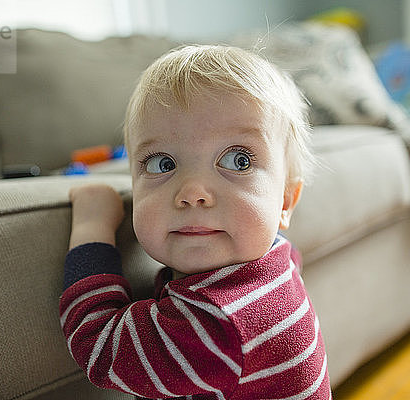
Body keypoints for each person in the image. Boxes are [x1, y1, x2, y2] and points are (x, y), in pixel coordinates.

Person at [59, 44, 331, 399]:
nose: (192, 192)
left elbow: (99, 345)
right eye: (162, 164)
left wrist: (91, 228)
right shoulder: (276, 260)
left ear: (285, 201)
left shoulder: (218, 322)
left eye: (238, 160)